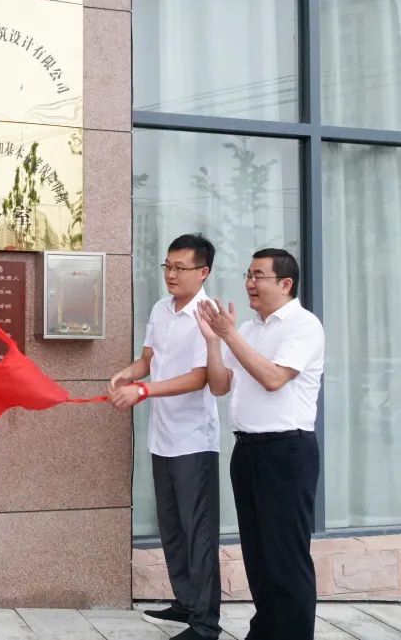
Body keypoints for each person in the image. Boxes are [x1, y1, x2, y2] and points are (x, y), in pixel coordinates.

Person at [197, 248, 324, 640]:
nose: (250, 283)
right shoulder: (249, 330)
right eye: (248, 275)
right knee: (258, 555)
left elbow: (273, 378)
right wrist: (214, 342)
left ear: (285, 283)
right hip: (248, 451)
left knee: (286, 556)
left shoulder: (303, 326)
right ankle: (266, 630)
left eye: (258, 276)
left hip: (287, 452)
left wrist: (229, 335)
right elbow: (219, 385)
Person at [110, 234, 221, 640]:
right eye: (167, 266)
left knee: (198, 532)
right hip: (162, 437)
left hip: (194, 440)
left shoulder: (208, 315)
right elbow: (148, 359)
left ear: (203, 272)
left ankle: (205, 624)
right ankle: (186, 602)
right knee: (172, 526)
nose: (171, 274)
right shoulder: (161, 308)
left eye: (180, 268)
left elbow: (199, 377)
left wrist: (143, 391)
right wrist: (127, 374)